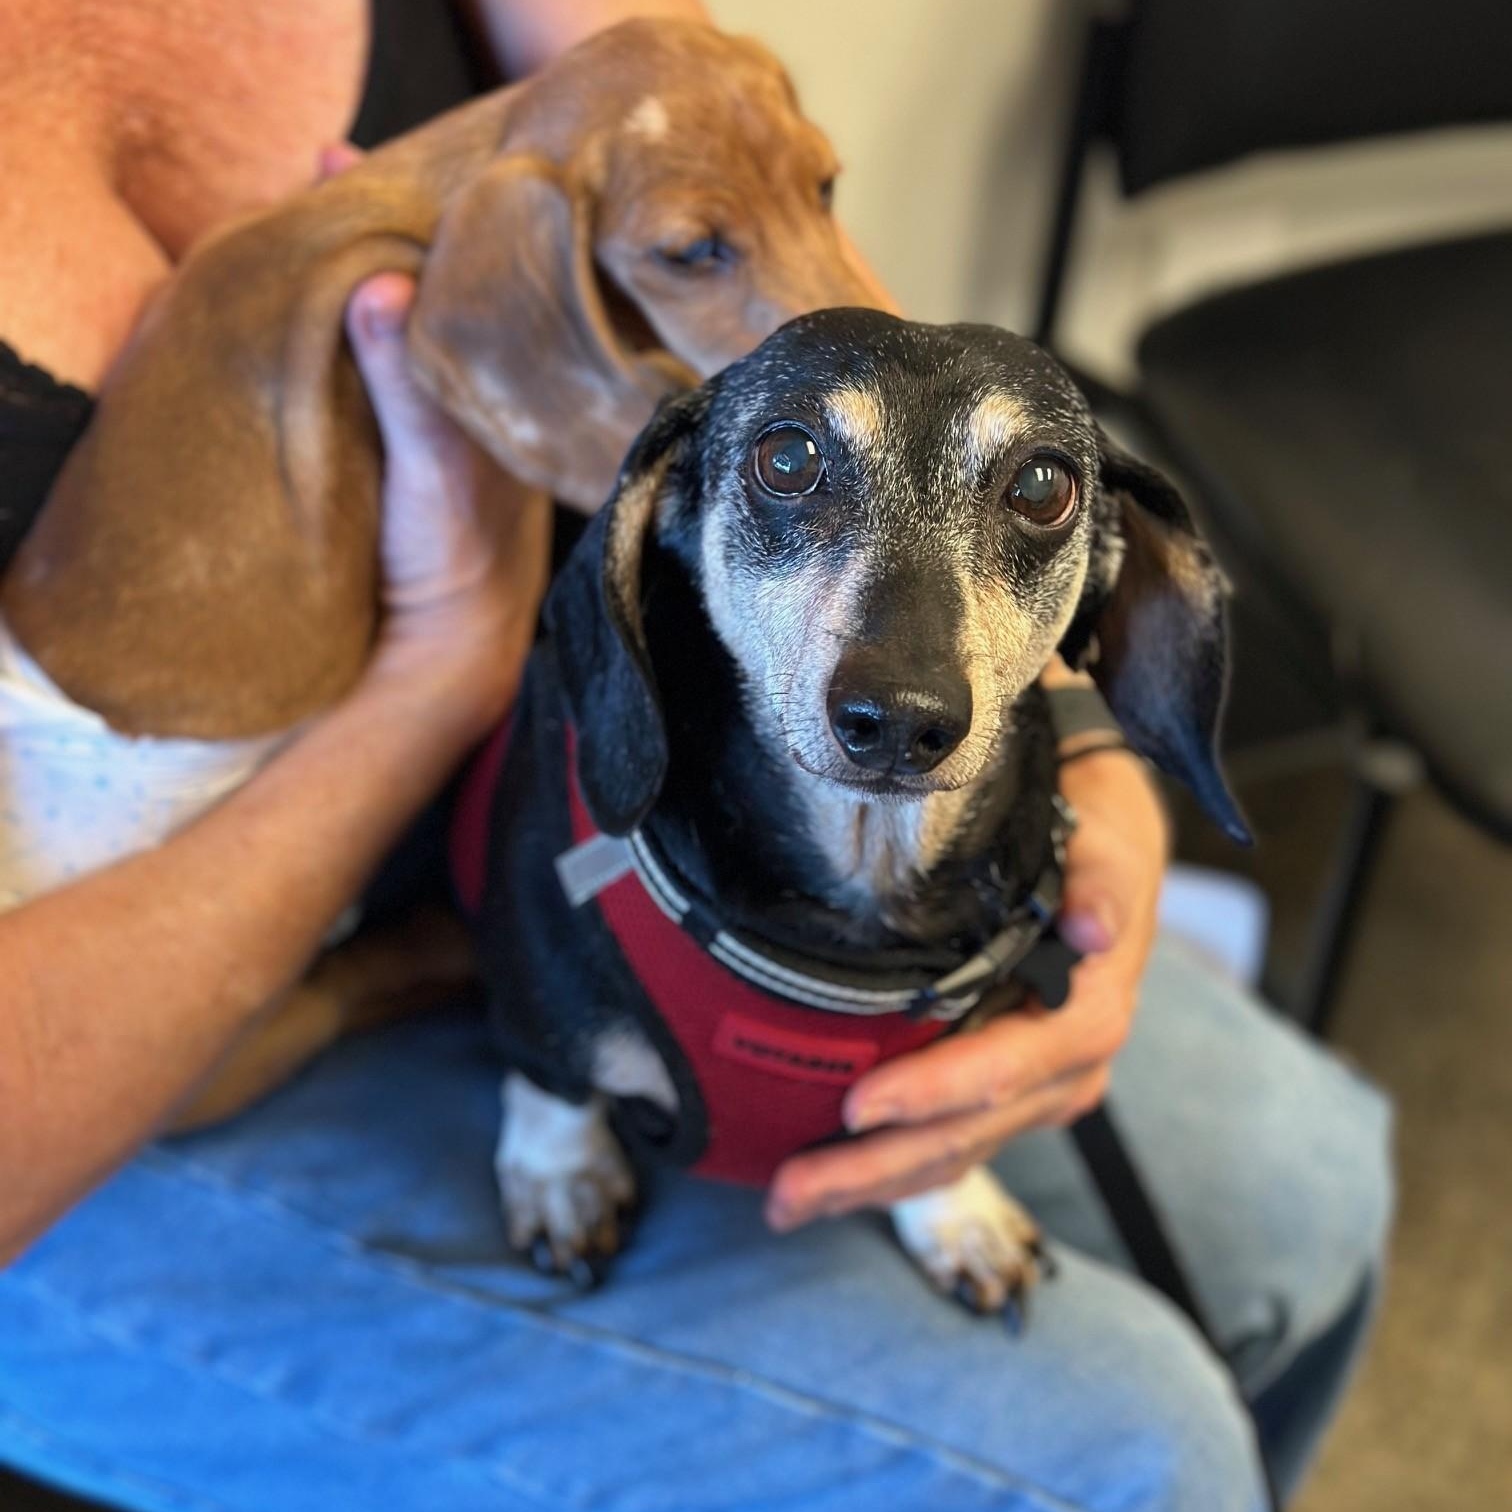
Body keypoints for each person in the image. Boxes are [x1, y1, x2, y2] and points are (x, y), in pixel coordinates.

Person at [0, 2, 1391, 1509]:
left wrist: (1067, 718)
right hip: (115, 1089)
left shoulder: (661, 137)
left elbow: (844, 360)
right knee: (1135, 1460)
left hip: (708, 769)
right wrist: (441, 675)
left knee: (1306, 1187)